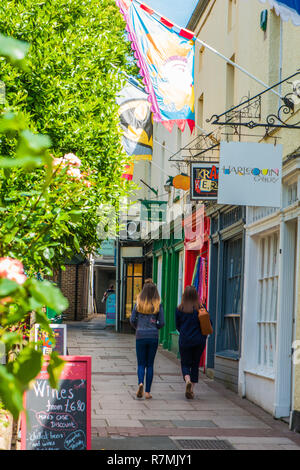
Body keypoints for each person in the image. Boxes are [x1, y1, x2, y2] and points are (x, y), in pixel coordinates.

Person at [130, 279, 165, 399]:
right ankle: (148, 392)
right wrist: (156, 327)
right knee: (150, 365)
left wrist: (138, 327)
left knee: (141, 364)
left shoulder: (138, 302)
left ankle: (140, 383)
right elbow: (162, 322)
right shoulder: (158, 303)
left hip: (140, 335)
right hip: (153, 336)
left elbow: (132, 319)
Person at [175, 286, 208, 399]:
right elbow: (209, 324)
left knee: (185, 363)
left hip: (185, 341)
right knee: (195, 364)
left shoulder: (180, 309)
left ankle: (187, 380)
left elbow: (177, 326)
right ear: (196, 295)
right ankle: (192, 389)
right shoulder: (201, 308)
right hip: (199, 341)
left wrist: (184, 333)